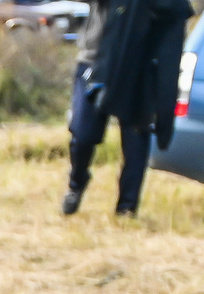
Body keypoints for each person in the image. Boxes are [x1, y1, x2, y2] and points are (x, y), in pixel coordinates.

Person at [63, 0, 191, 218]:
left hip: (139, 64)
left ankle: (127, 207)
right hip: (95, 58)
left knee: (136, 137)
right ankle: (77, 182)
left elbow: (174, 13)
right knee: (83, 135)